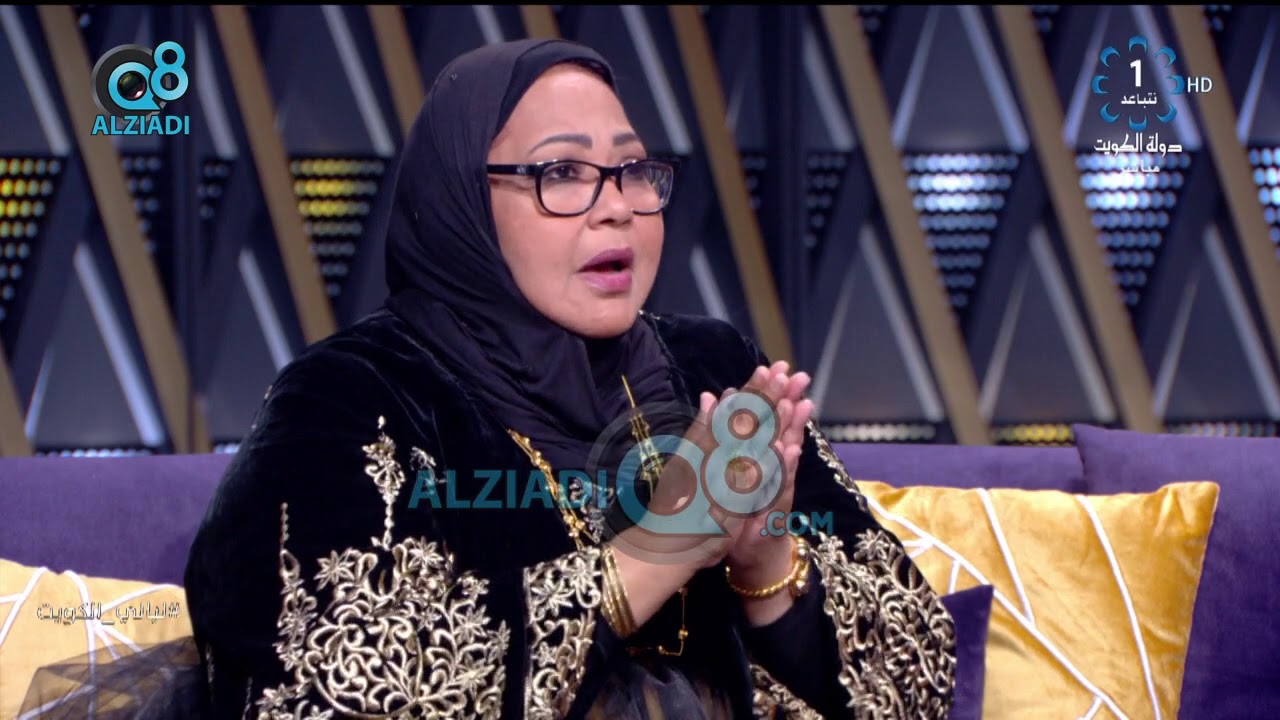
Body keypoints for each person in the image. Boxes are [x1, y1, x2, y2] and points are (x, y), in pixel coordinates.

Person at [175, 38, 956, 719]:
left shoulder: (713, 369)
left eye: (631, 171)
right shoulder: (353, 396)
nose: (615, 208)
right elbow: (337, 683)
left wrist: (768, 567)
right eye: (563, 172)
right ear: (461, 202)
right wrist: (656, 552)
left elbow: (918, 675)